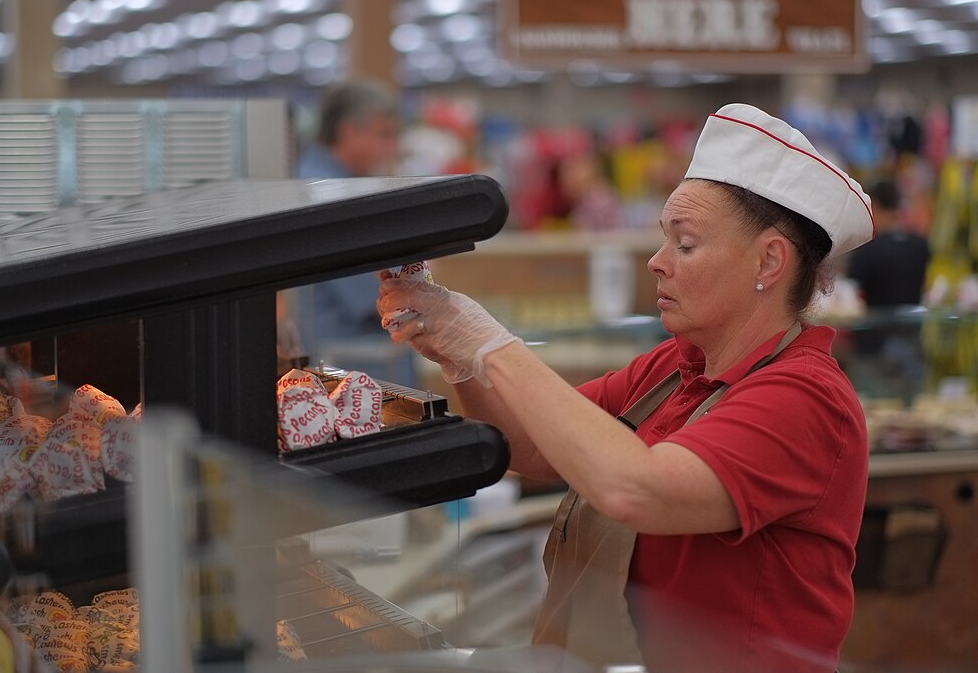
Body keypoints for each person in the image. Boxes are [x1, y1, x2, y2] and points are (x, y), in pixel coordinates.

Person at [377, 103, 875, 672]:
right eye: (664, 240)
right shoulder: (673, 369)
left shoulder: (806, 398)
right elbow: (533, 446)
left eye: (685, 244)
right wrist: (462, 359)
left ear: (768, 261)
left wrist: (491, 344)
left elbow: (636, 490)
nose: (657, 263)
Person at [288, 78, 416, 384]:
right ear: (349, 131)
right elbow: (387, 295)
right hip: (353, 374)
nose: (392, 147)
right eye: (385, 135)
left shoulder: (315, 181)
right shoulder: (332, 195)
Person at [846, 178, 931, 403]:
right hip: (912, 341)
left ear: (876, 206)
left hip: (874, 347)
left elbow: (853, 297)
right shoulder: (920, 245)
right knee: (912, 408)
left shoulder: (867, 250)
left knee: (877, 410)